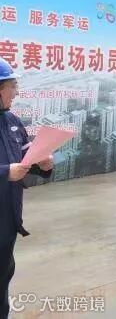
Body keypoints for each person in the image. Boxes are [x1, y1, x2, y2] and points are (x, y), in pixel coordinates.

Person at [0, 58, 54, 318]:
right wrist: (4, 172)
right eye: (12, 86)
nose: (16, 92)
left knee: (3, 279)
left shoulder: (11, 120)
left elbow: (23, 156)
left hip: (8, 221)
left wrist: (42, 164)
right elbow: (9, 169)